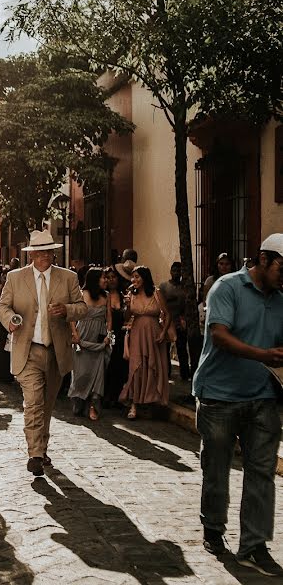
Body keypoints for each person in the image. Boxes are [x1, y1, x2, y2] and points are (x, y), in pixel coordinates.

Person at [193, 234, 283, 574]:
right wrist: (263, 354)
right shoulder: (226, 288)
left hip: (263, 398)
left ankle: (254, 546)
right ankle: (213, 528)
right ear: (263, 259)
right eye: (282, 267)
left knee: (261, 473)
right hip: (219, 396)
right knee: (216, 470)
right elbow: (219, 334)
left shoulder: (281, 300)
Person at [0, 230, 87, 477]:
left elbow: (82, 308)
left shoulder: (68, 278)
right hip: (28, 350)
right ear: (32, 254)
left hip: (56, 352)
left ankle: (42, 448)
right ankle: (35, 454)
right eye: (41, 251)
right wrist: (11, 319)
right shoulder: (15, 278)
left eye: (49, 250)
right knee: (33, 402)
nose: (46, 255)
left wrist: (66, 309)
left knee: (46, 405)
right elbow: (1, 306)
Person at [119, 266, 172, 419]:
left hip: (154, 334)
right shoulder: (131, 295)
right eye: (132, 277)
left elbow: (167, 315)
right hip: (137, 333)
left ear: (144, 278)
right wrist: (127, 305)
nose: (133, 280)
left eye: (137, 277)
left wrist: (163, 332)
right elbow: (126, 317)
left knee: (152, 366)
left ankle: (149, 401)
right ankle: (134, 404)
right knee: (136, 367)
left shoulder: (156, 293)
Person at [67, 267, 113, 420]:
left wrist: (109, 335)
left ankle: (93, 404)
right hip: (83, 337)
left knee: (98, 373)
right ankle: (79, 398)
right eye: (103, 277)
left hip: (99, 338)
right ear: (94, 279)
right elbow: (72, 316)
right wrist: (75, 333)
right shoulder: (80, 294)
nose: (106, 280)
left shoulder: (106, 296)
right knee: (81, 372)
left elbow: (109, 319)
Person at [160, 261, 200, 380]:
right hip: (167, 322)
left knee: (182, 349)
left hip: (181, 322)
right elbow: (161, 304)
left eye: (179, 271)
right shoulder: (164, 286)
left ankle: (185, 374)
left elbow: (190, 303)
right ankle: (166, 373)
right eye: (174, 270)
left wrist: (184, 318)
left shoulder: (186, 287)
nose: (176, 273)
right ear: (171, 271)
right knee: (165, 350)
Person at [103, 266, 129, 407]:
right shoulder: (102, 295)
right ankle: (105, 395)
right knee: (107, 365)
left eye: (113, 277)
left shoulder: (124, 295)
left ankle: (117, 395)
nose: (111, 280)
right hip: (106, 333)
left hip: (121, 334)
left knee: (120, 366)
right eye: (108, 277)